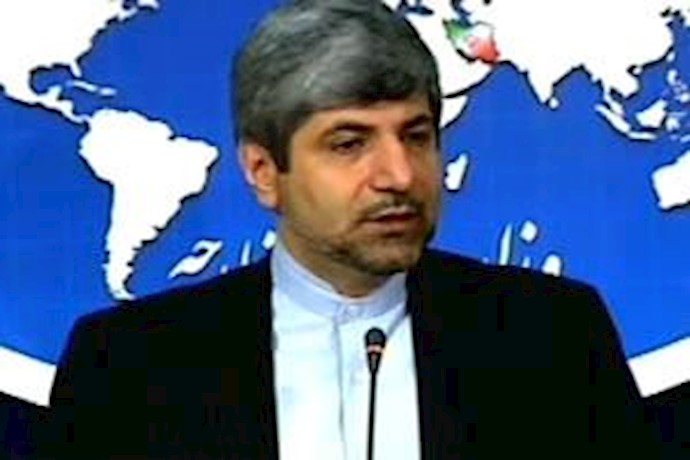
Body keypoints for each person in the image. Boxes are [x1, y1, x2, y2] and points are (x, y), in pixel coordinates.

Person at [42, 1, 664, 459]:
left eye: (416, 136)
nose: (399, 175)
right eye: (349, 143)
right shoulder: (126, 367)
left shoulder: (552, 336)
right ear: (264, 172)